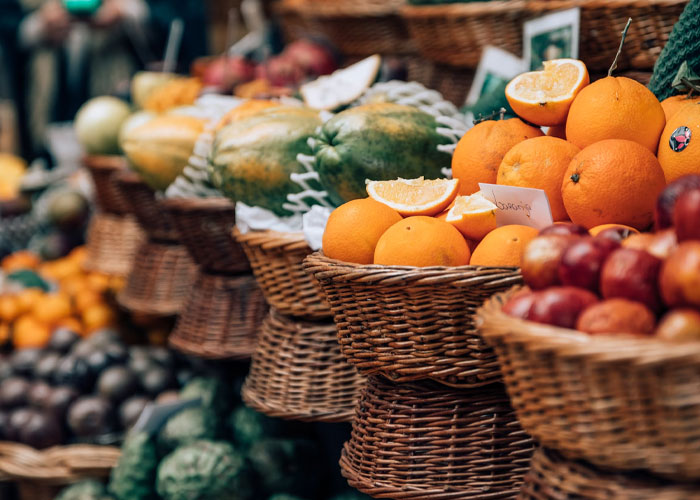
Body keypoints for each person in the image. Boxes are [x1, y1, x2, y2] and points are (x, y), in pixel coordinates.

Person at [0, 0, 208, 162]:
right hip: (46, 101)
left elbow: (183, 16)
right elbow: (8, 19)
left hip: (121, 95)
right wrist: (38, 25)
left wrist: (127, 10)